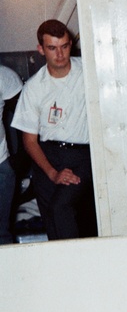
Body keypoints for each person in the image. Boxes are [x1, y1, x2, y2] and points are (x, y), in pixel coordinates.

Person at [10, 20, 97, 240]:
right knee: (52, 221)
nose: (60, 54)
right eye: (52, 48)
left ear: (71, 45)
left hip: (82, 154)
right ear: (41, 49)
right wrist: (52, 173)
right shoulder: (34, 87)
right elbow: (29, 141)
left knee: (61, 209)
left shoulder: (88, 71)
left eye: (65, 46)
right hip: (46, 157)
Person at [0, 63, 24, 244]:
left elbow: (25, 117)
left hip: (1, 166)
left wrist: (20, 157)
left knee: (2, 233)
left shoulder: (5, 76)